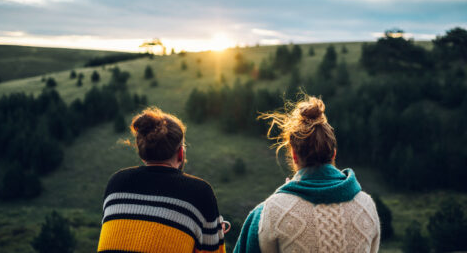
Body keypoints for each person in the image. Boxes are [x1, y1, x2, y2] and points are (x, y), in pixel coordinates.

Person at [234, 96, 380, 253]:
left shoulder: (269, 213)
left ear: (294, 156)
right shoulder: (367, 207)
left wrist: (284, 199)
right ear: (333, 154)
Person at [97, 107, 226, 253]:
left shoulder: (116, 183)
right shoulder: (200, 193)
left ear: (142, 154)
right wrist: (214, 234)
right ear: (180, 154)